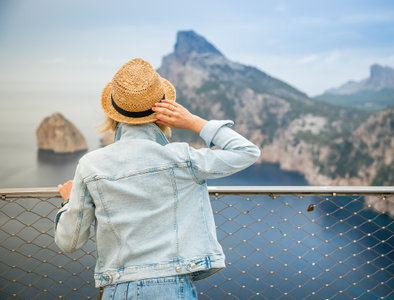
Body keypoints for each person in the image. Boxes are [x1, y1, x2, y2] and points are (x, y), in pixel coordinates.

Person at [54, 58, 260, 299]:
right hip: (173, 288)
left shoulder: (90, 165)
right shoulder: (183, 159)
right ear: (163, 111)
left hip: (117, 289)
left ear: (115, 113)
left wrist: (68, 203)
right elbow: (247, 152)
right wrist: (194, 122)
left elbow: (69, 242)